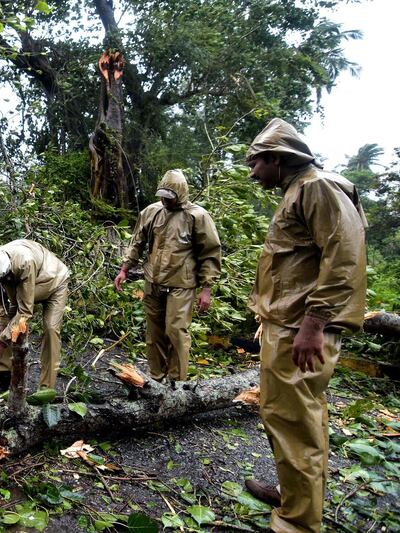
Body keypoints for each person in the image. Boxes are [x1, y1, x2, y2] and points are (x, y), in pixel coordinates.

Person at [243, 118, 367, 533]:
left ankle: (297, 523)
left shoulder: (318, 187)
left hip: (302, 328)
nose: (252, 171)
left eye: (256, 162)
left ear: (277, 159)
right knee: (288, 417)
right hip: (287, 324)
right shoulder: (297, 190)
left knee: (296, 421)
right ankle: (296, 496)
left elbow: (344, 257)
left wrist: (313, 323)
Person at [114, 169, 221, 382]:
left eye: (169, 197)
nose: (165, 200)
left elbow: (209, 253)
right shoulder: (151, 212)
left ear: (180, 195)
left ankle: (176, 384)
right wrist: (125, 268)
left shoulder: (197, 216)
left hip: (182, 284)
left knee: (176, 332)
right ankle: (156, 378)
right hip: (153, 281)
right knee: (154, 334)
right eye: (162, 196)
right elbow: (137, 242)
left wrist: (206, 288)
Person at [0, 240, 70, 392]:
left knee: (51, 330)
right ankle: (4, 376)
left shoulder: (25, 262)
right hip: (25, 285)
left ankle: (46, 388)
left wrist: (1, 342)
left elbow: (25, 312)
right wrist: (2, 324)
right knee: (7, 324)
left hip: (55, 281)